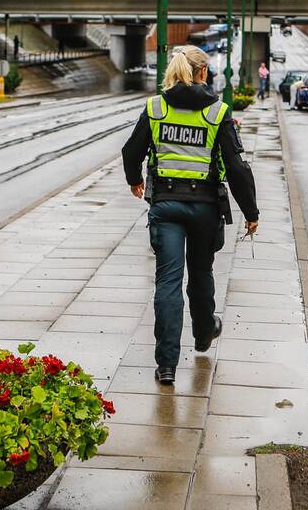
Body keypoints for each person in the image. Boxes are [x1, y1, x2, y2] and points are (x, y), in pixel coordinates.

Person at [122, 46, 259, 386]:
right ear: (200, 74)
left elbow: (131, 151)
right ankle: (203, 331)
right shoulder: (217, 112)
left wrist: (135, 180)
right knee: (201, 272)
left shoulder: (155, 108)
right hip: (204, 208)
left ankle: (167, 365)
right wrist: (251, 212)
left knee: (168, 282)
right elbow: (238, 168)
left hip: (166, 205)